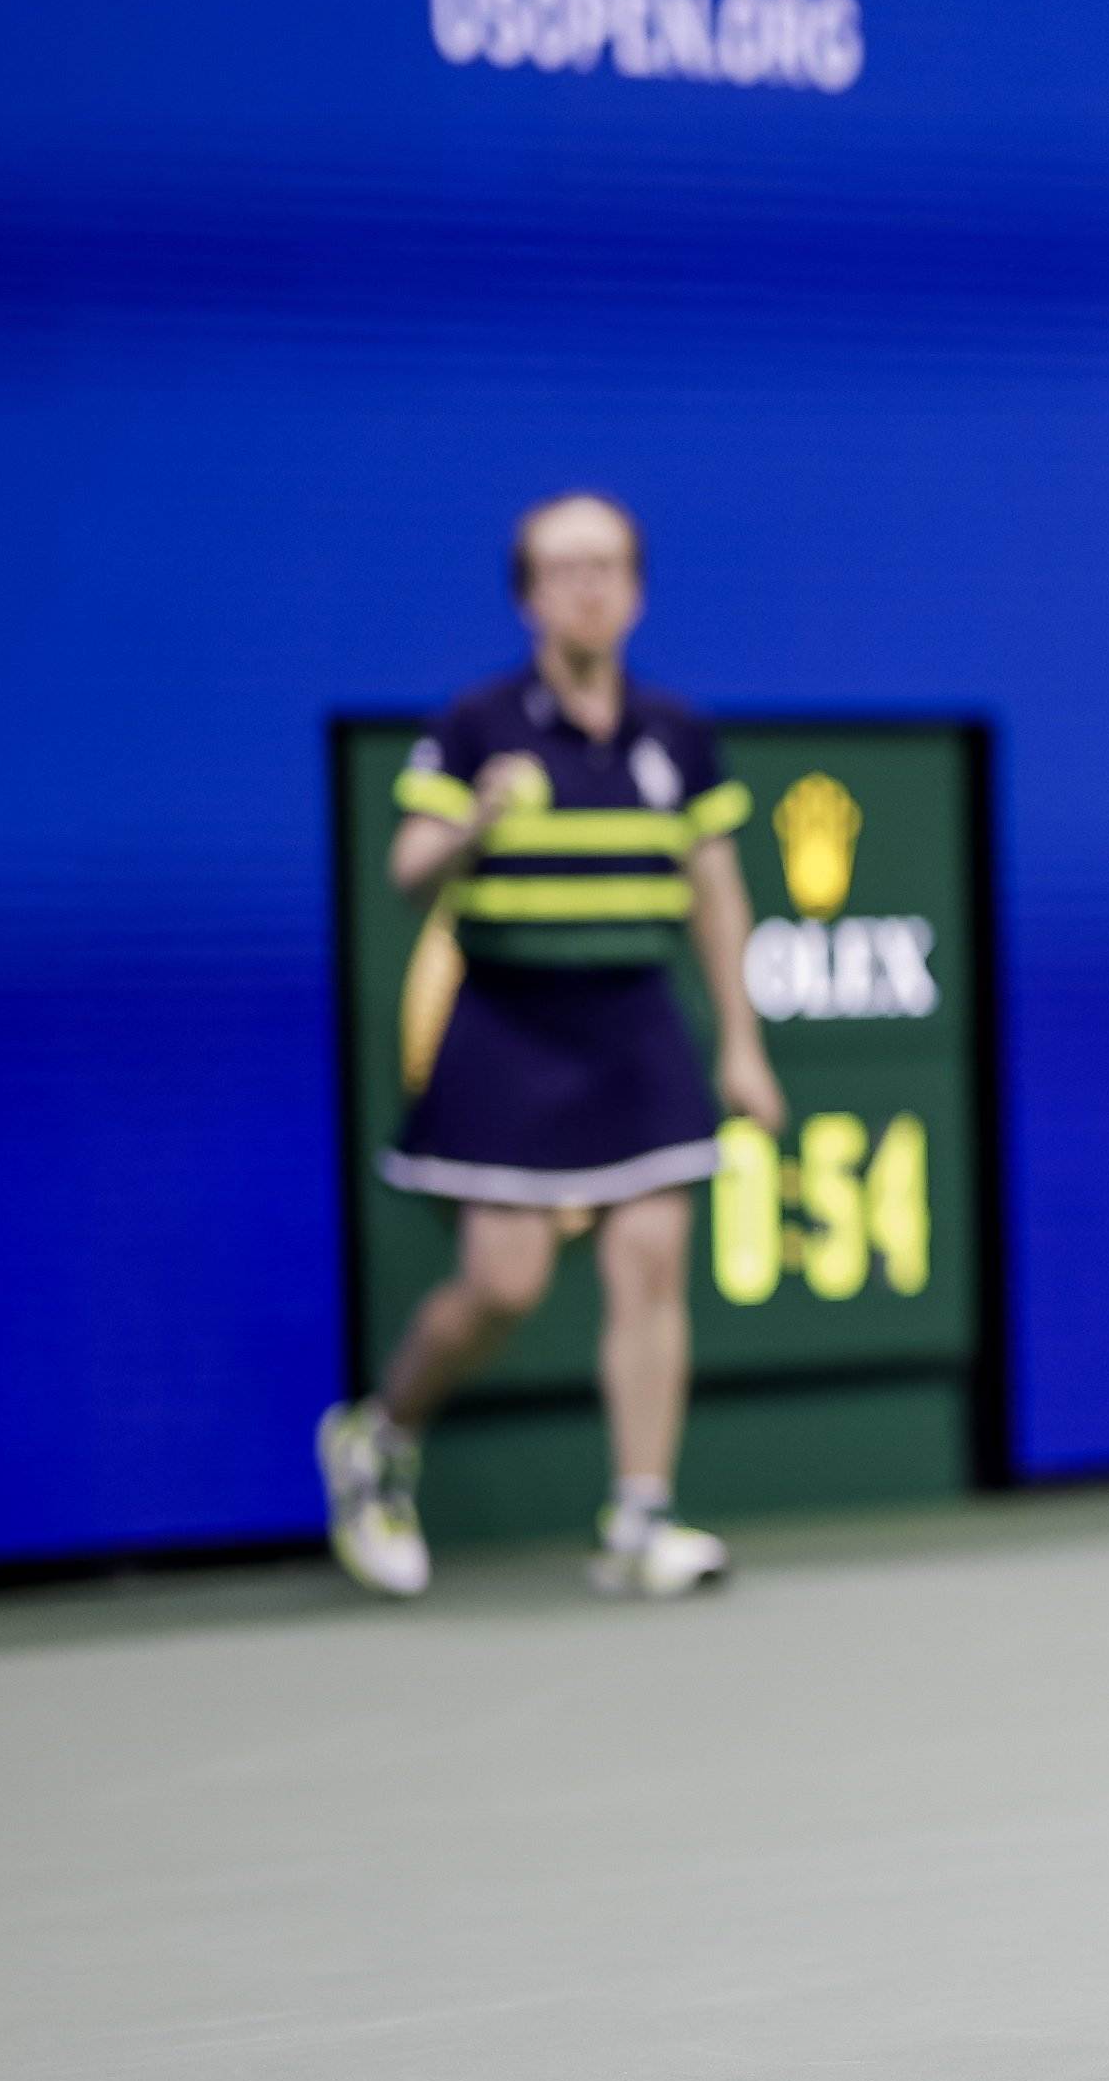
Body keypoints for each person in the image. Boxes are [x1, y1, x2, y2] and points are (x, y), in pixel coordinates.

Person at [319, 497, 781, 1605]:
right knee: (505, 1282)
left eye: (609, 566)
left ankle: (640, 1516)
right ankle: (380, 1439)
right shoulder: (479, 723)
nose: (589, 587)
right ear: (528, 594)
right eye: (564, 569)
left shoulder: (676, 734)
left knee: (651, 1263)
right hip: (511, 1027)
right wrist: (477, 820)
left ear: (637, 588)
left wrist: (743, 1045)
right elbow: (407, 866)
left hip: (635, 1025)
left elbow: (715, 892)